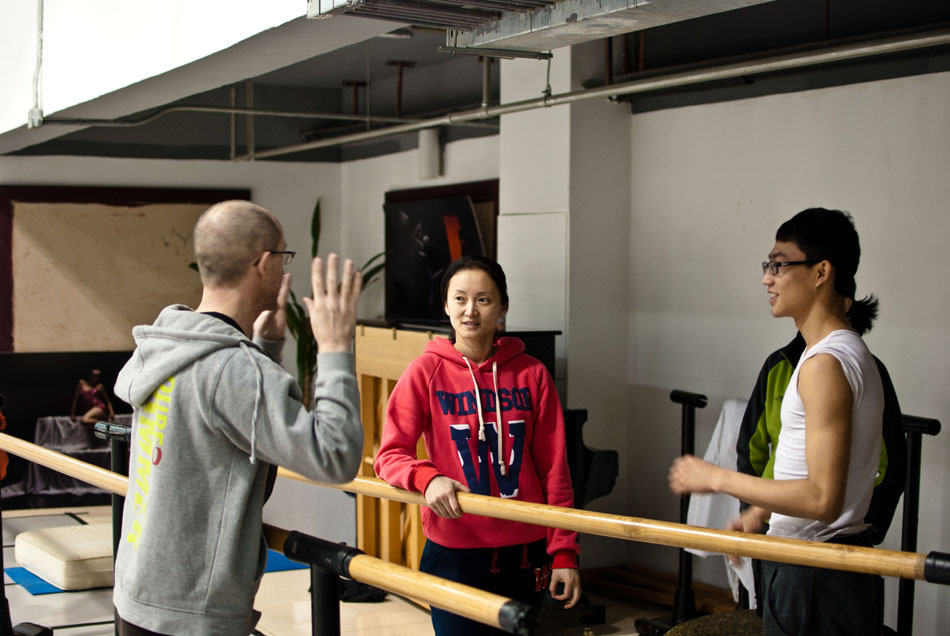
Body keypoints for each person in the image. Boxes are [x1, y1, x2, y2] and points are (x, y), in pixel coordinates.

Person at [112, 200, 364, 635]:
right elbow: (335, 456)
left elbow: (221, 426)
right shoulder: (233, 370)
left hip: (139, 598)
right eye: (284, 257)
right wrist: (336, 347)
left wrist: (266, 348)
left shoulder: (166, 344)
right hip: (191, 617)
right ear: (264, 264)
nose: (285, 270)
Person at [669, 208, 885, 635]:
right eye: (768, 266)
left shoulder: (826, 363)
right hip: (808, 562)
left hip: (815, 571)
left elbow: (822, 498)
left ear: (822, 272)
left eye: (779, 264)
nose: (767, 278)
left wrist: (716, 478)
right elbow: (802, 461)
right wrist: (759, 513)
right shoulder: (832, 352)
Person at [375, 255, 581, 635]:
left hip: (527, 549)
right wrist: (427, 477)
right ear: (446, 305)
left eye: (484, 299)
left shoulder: (532, 374)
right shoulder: (425, 372)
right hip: (455, 549)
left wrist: (564, 551)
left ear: (503, 306)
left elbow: (555, 469)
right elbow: (389, 455)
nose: (471, 310)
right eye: (460, 299)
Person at [735, 328, 906, 611]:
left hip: (831, 541)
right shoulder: (778, 365)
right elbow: (750, 451)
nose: (768, 282)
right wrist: (754, 513)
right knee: (768, 615)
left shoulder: (845, 364)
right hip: (776, 530)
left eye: (777, 278)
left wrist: (870, 524)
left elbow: (892, 461)